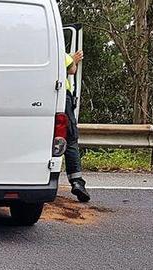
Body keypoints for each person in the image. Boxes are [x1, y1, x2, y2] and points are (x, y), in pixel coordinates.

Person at [64, 50, 90, 202]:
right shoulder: (55, 47)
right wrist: (73, 59)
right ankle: (77, 182)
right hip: (61, 97)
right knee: (70, 138)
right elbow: (72, 69)